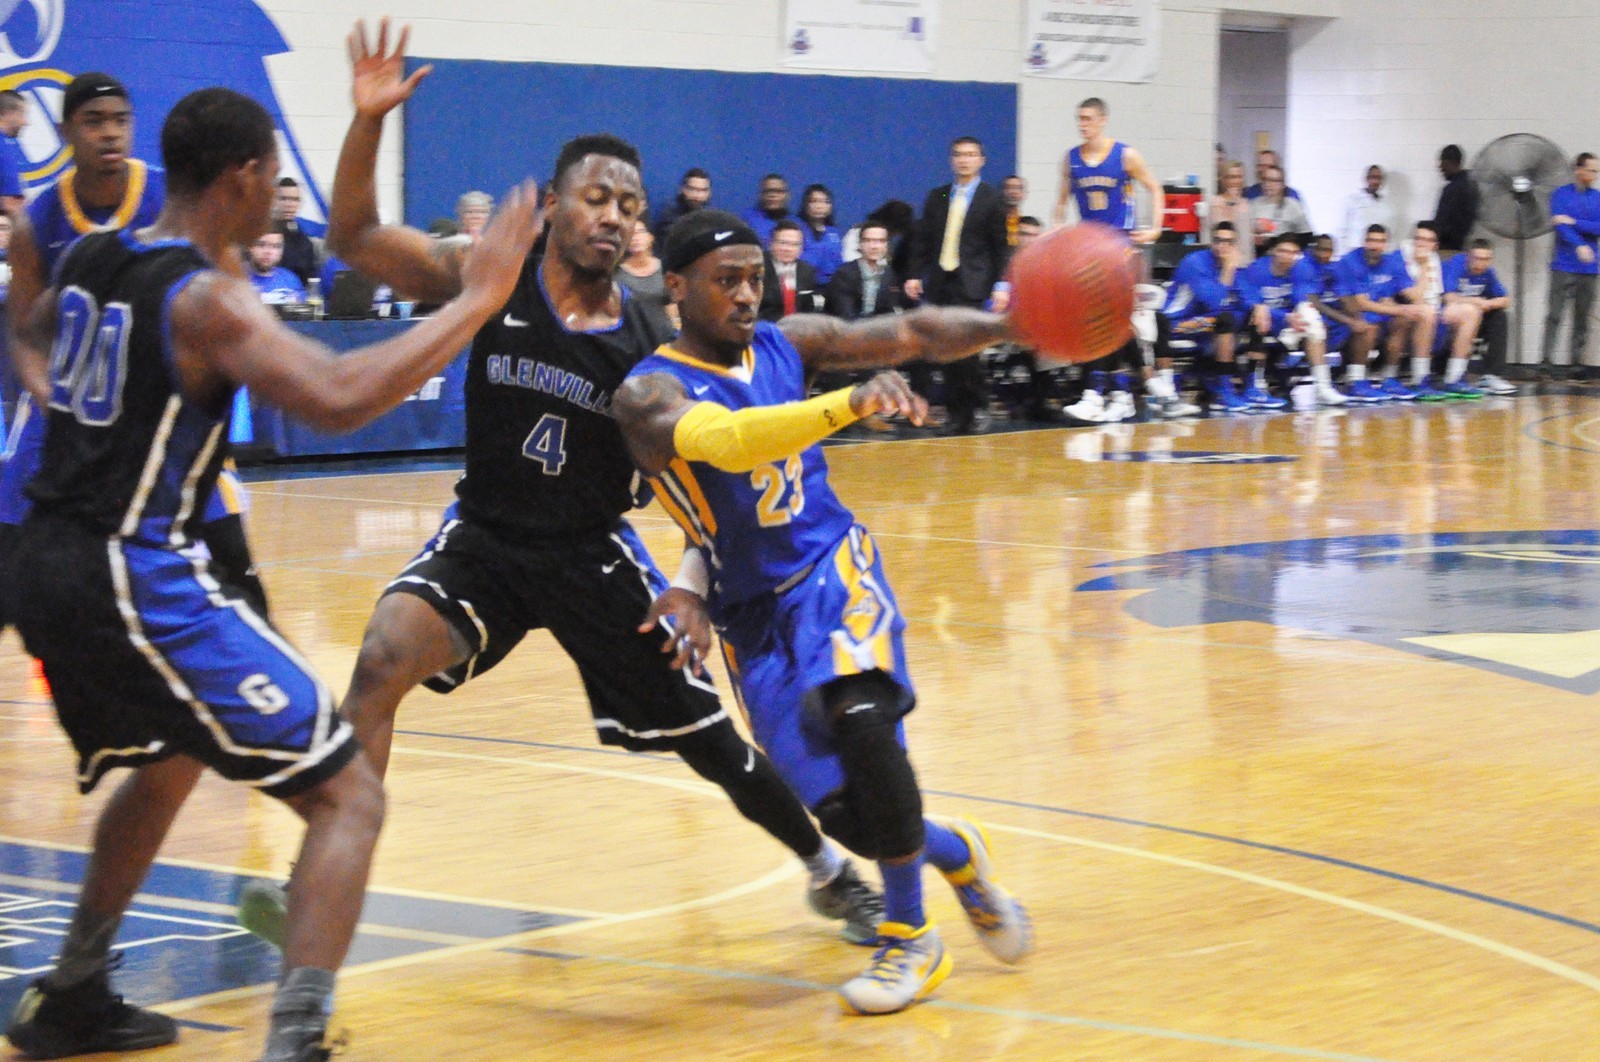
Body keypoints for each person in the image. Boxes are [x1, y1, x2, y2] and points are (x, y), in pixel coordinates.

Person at [297, 20, 884, 948]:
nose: (614, 215)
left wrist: (696, 579)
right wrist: (368, 121)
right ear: (555, 209)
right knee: (378, 659)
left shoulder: (656, 333)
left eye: (629, 204)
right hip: (485, 538)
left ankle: (827, 869)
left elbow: (714, 465)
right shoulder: (489, 272)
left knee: (713, 743)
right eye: (596, 198)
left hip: (593, 552)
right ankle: (324, 882)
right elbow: (354, 234)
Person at [2, 84, 540, 1062]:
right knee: (347, 797)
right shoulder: (205, 298)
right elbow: (337, 397)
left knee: (173, 753)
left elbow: (29, 327)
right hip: (129, 569)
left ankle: (75, 991)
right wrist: (475, 301)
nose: (275, 200)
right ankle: (296, 1044)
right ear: (245, 178)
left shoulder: (89, 254)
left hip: (38, 560)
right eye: (273, 180)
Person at [612, 208, 1034, 1016]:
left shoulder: (788, 342)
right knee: (861, 824)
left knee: (864, 721)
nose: (745, 296)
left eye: (754, 278)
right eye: (724, 280)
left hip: (832, 569)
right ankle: (958, 855)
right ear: (676, 288)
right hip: (750, 617)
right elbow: (732, 442)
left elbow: (911, 328)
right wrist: (848, 408)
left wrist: (1013, 324)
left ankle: (910, 941)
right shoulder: (648, 392)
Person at [2, 72, 268, 625]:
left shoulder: (165, 197)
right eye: (94, 122)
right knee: (8, 554)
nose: (110, 134)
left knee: (233, 560)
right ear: (65, 130)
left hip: (163, 405)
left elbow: (230, 280)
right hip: (78, 400)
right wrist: (51, 398)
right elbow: (26, 332)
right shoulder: (38, 222)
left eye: (120, 121)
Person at [907, 136, 1012, 434]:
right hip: (942, 281)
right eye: (958, 155)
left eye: (970, 155)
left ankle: (977, 407)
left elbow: (1000, 247)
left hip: (973, 283)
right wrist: (915, 273)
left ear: (981, 160)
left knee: (966, 348)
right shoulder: (938, 196)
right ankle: (957, 413)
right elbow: (923, 238)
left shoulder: (992, 199)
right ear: (951, 160)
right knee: (945, 350)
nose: (963, 160)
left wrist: (1002, 285)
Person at [1238, 234, 1346, 406]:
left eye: (1293, 252)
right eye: (1283, 251)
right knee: (1260, 315)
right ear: (1274, 251)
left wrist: (1299, 318)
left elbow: (1303, 299)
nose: (1287, 256)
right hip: (1259, 318)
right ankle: (1255, 387)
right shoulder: (1256, 269)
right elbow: (1249, 302)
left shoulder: (1301, 270)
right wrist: (1285, 316)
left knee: (1312, 324)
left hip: (1287, 321)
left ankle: (1322, 387)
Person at [1334, 223, 1434, 402]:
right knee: (1368, 322)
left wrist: (1425, 266)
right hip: (1346, 314)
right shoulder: (1352, 261)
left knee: (1408, 317)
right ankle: (1356, 381)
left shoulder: (1392, 262)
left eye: (1380, 241)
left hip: (1379, 311)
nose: (1375, 245)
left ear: (1386, 244)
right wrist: (1395, 307)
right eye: (1371, 241)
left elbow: (1414, 296)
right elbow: (1360, 303)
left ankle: (1390, 378)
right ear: (1365, 242)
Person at [1160, 223, 1247, 411]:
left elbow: (1245, 295)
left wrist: (1260, 307)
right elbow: (1214, 302)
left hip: (1202, 322)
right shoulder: (1195, 262)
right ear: (1211, 242)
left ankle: (1251, 387)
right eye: (1217, 240)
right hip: (1174, 323)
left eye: (1228, 242)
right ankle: (1223, 390)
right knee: (1225, 321)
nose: (1222, 245)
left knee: (1249, 318)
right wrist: (1229, 269)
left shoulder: (1231, 265)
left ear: (1234, 245)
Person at [1051, 97, 1163, 244]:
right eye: (1080, 119)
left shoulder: (1125, 155)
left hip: (1121, 238)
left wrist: (1155, 229)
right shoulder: (1071, 159)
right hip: (1089, 239)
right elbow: (1061, 201)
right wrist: (1057, 226)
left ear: (1103, 120)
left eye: (1088, 119)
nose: (1082, 124)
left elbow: (1155, 188)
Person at [1401, 221, 1483, 398]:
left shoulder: (1434, 257)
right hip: (1406, 311)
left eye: (1428, 240)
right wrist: (1423, 266)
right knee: (1427, 312)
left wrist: (1455, 305)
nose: (1422, 244)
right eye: (1419, 238)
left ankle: (1454, 378)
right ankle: (1419, 379)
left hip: (1432, 307)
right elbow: (1415, 297)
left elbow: (1438, 295)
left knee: (1471, 311)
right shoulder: (1401, 256)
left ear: (1435, 244)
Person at [1543, 152, 1600, 375]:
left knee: (1581, 317)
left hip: (1589, 267)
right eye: (1592, 170)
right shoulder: (1560, 195)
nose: (1595, 175)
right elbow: (1559, 224)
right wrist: (1579, 244)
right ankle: (1546, 361)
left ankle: (1576, 362)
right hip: (1563, 264)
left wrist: (1574, 221)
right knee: (1554, 314)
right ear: (1579, 170)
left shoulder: (1597, 198)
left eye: (1597, 171)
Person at [1443, 238, 1516, 394]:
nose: (1480, 263)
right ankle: (1453, 376)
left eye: (1486, 259)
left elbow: (1506, 299)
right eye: (1477, 258)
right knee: (1471, 311)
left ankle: (1492, 375)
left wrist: (1488, 304)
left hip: (1474, 318)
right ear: (1469, 256)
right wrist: (1474, 301)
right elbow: (1448, 297)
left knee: (1500, 316)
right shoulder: (1456, 264)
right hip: (1448, 317)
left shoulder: (1488, 273)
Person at [826, 220, 901, 321]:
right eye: (868, 240)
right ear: (860, 244)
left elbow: (889, 313)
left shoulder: (889, 275)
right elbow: (845, 315)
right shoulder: (844, 274)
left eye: (881, 241)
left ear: (886, 245)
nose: (874, 246)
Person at [617, 214, 677, 333]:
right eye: (631, 233)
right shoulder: (617, 274)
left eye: (640, 232)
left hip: (665, 334)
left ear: (651, 237)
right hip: (633, 338)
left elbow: (672, 306)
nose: (636, 237)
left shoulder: (666, 268)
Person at [759, 218, 821, 321]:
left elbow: (809, 308)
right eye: (783, 243)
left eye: (795, 244)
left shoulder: (807, 271)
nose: (788, 249)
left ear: (801, 248)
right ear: (771, 243)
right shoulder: (759, 268)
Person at [1248, 166, 1312, 257]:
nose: (1268, 184)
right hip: (1258, 257)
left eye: (1273, 180)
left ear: (1282, 184)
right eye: (1265, 180)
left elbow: (1306, 236)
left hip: (1285, 258)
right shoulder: (1252, 204)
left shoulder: (1292, 205)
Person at [273, 176, 322, 284]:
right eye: (283, 198)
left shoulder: (304, 241)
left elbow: (311, 279)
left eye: (295, 199)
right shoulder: (258, 235)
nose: (289, 205)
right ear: (272, 200)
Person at [1434, 144, 1479, 255]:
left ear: (1450, 162)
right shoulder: (1472, 186)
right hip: (1462, 247)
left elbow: (1442, 223)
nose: (1440, 167)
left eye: (1442, 162)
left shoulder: (1453, 189)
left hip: (1446, 248)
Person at [1339, 165, 1394, 255]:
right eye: (1373, 177)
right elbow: (1341, 230)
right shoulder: (1352, 201)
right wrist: (1344, 254)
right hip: (1356, 253)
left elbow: (1388, 234)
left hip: (1378, 255)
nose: (1376, 181)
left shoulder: (1387, 206)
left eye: (1379, 178)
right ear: (1366, 178)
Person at [797, 183, 843, 285]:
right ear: (806, 204)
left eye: (825, 202)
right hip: (804, 284)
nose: (819, 206)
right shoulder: (797, 230)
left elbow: (839, 262)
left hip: (833, 287)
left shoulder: (835, 233)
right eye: (814, 201)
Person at [1208, 160, 1252, 264]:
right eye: (1231, 177)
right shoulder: (1214, 203)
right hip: (1219, 263)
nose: (1235, 181)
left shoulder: (1247, 204)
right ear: (1223, 179)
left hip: (1244, 263)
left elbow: (1247, 241)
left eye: (1239, 177)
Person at [248, 228, 308, 304]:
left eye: (276, 246)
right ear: (250, 246)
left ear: (282, 251)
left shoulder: (291, 279)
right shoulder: (237, 279)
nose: (268, 251)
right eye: (261, 245)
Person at [652, 167, 712, 243]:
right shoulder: (669, 217)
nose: (697, 196)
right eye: (692, 189)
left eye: (702, 190)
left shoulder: (713, 220)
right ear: (682, 189)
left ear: (709, 193)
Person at [741, 173, 793, 246]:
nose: (772, 195)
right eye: (767, 191)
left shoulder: (797, 223)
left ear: (787, 195)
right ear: (760, 195)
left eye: (777, 191)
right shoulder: (747, 221)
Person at [0, 89, 28, 215]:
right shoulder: (5, 147)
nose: (26, 122)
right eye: (21, 114)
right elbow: (11, 204)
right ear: (4, 114)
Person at [1001, 174, 1027, 246]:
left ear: (1024, 193)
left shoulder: (1025, 223)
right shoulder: (994, 220)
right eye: (1009, 187)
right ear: (1003, 191)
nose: (1013, 192)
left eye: (1018, 188)